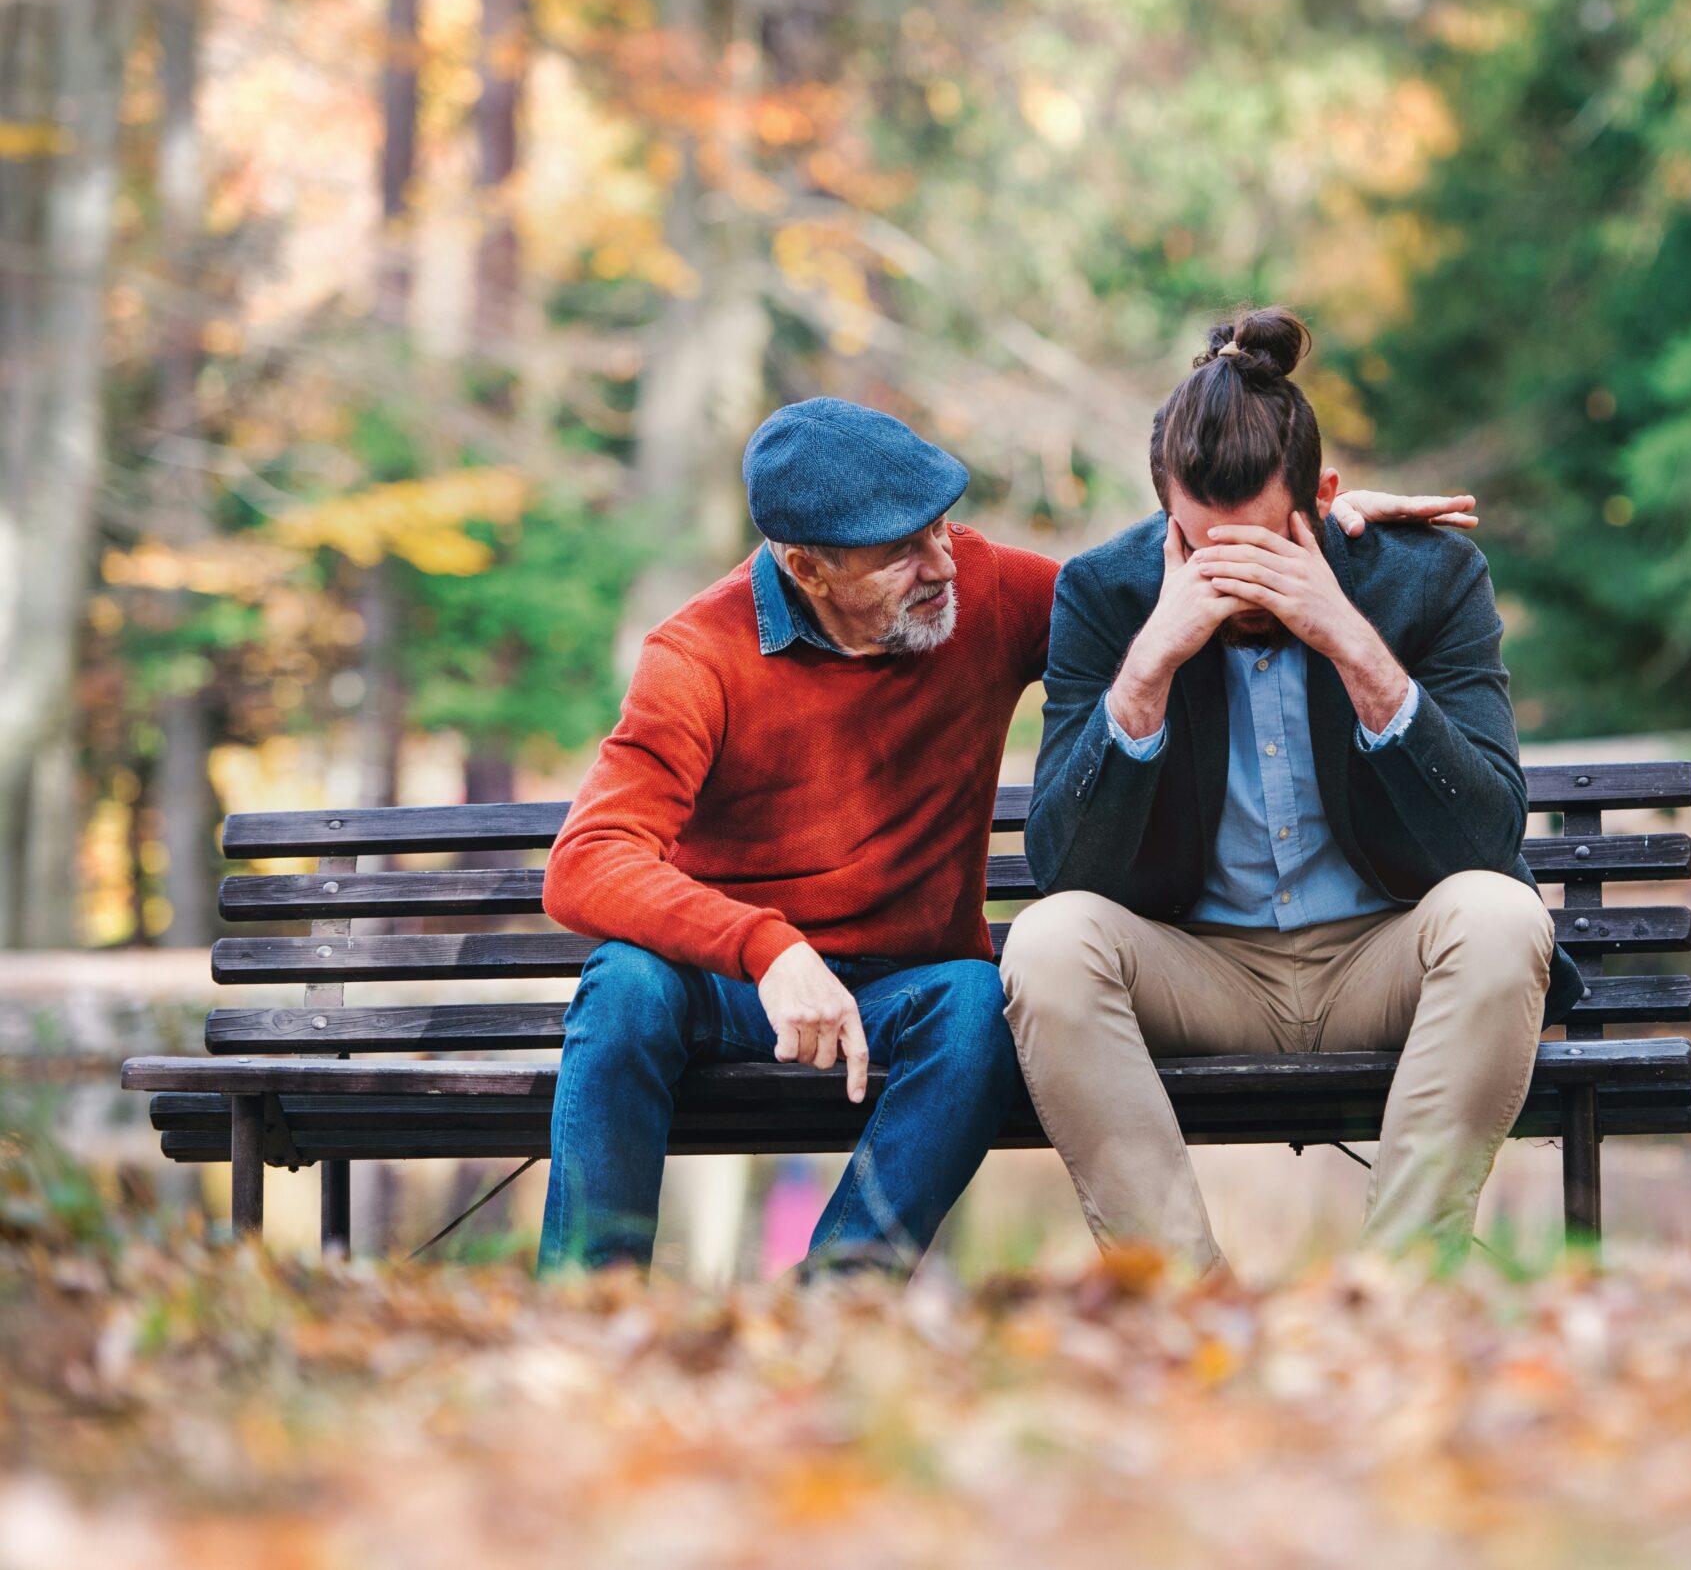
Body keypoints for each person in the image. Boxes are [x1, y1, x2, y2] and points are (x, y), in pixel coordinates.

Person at [538, 393, 1473, 1274]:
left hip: (910, 988)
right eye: (903, 550)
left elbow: (1137, 592)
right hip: (742, 987)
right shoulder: (697, 655)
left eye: (942, 526)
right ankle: (590, 1306)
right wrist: (766, 948)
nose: (945, 562)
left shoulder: (977, 592)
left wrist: (1324, 537)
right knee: (624, 986)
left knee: (979, 1004)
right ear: (805, 566)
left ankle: (840, 1296)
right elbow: (588, 861)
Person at [1003, 308, 1578, 1274]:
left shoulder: (1426, 580)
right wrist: (1147, 668)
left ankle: (1394, 1291)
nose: (1238, 582)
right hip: (1202, 968)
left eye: (1265, 546)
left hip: (1383, 955)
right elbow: (1065, 866)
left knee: (1502, 915)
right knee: (1048, 943)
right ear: (1164, 518)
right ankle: (1187, 1302)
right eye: (1205, 546)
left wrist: (1350, 638)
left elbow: (1488, 833)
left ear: (1324, 499)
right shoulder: (1106, 597)